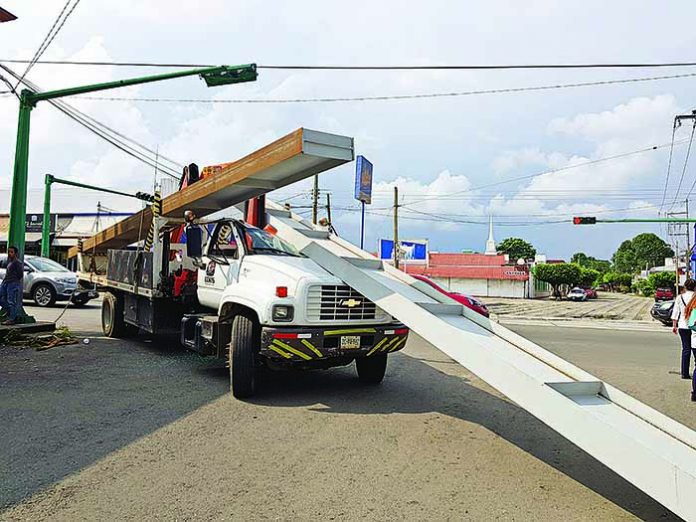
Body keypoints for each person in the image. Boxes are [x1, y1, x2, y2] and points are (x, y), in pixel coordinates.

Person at [672, 279, 696, 379]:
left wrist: (674, 325)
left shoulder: (680, 297)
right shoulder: (695, 297)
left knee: (686, 349)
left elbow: (675, 313)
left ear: (685, 287)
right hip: (694, 326)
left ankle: (684, 372)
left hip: (683, 325)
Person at [0, 246, 23, 325]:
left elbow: (20, 274)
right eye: (9, 251)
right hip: (5, 282)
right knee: (2, 298)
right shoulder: (9, 261)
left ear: (15, 253)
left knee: (11, 301)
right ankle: (9, 311)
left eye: (11, 252)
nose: (9, 253)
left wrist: (14, 280)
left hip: (13, 283)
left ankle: (11, 319)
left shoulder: (17, 262)